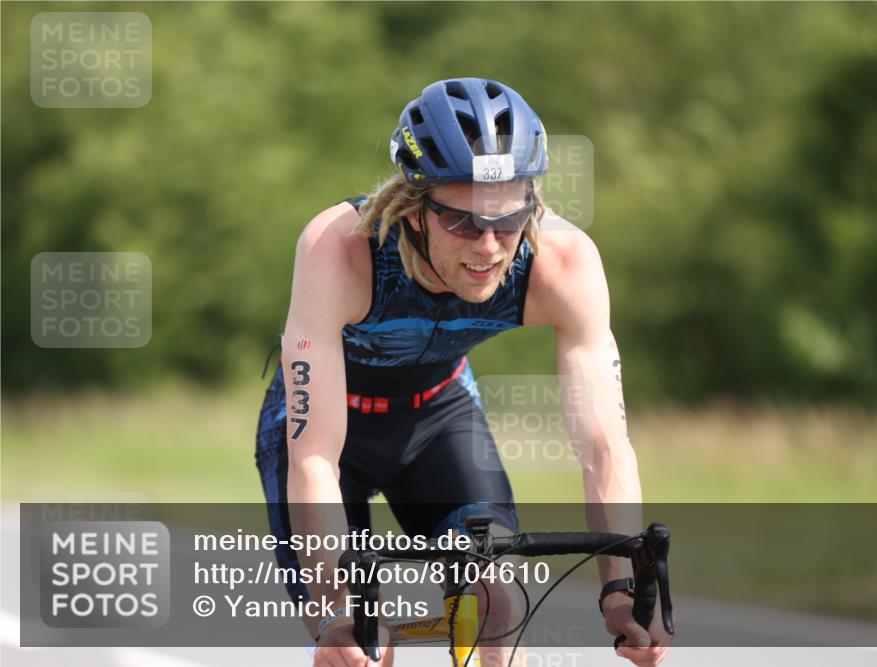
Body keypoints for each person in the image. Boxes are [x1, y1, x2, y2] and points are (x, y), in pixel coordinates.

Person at [255, 77, 670, 667]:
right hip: (325, 430)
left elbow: (605, 449)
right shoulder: (340, 249)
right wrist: (337, 609)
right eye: (462, 223)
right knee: (363, 648)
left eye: (509, 221)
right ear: (414, 208)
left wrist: (621, 591)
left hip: (437, 413)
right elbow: (315, 458)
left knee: (497, 616)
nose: (490, 247)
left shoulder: (563, 264)